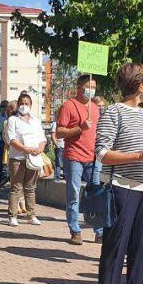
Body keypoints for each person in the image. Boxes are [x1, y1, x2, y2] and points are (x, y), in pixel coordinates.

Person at [94, 63, 143, 284]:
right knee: (115, 245)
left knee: (142, 246)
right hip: (122, 187)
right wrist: (140, 155)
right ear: (138, 85)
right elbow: (102, 153)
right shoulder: (113, 112)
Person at [56, 74, 103, 245]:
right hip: (74, 156)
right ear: (79, 87)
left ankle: (99, 231)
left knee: (96, 195)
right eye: (89, 86)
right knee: (74, 194)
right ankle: (75, 230)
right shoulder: (68, 106)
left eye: (94, 87)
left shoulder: (96, 108)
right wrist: (79, 128)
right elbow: (60, 132)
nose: (91, 90)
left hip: (93, 157)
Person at [4, 93, 45, 226]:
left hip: (33, 158)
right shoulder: (13, 120)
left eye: (27, 103)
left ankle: (31, 215)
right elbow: (12, 140)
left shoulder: (36, 121)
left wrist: (39, 149)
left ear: (31, 105)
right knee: (16, 187)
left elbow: (42, 139)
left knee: (30, 188)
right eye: (21, 103)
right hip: (17, 157)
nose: (24, 106)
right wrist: (26, 149)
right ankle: (13, 216)